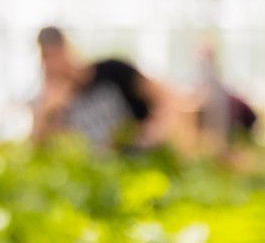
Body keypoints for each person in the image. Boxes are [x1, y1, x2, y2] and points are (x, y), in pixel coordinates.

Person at [30, 26, 173, 150]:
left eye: (54, 54)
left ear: (67, 48)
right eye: (45, 57)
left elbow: (162, 95)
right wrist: (47, 113)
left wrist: (155, 128)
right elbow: (39, 148)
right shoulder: (55, 101)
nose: (51, 65)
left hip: (137, 158)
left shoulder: (112, 70)